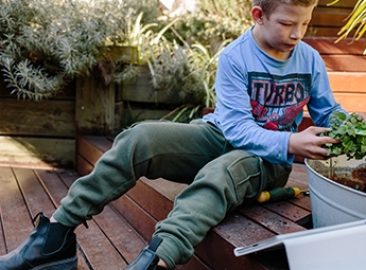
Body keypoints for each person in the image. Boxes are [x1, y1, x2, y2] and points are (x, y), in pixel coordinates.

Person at [0, 0, 345, 269]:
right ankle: (55, 236)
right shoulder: (235, 58)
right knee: (140, 138)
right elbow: (238, 129)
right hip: (223, 135)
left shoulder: (309, 60)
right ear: (258, 14)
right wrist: (292, 140)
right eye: (287, 23)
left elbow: (327, 111)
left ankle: (158, 258)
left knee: (221, 172)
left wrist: (349, 126)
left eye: (305, 23)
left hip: (267, 160)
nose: (298, 33)